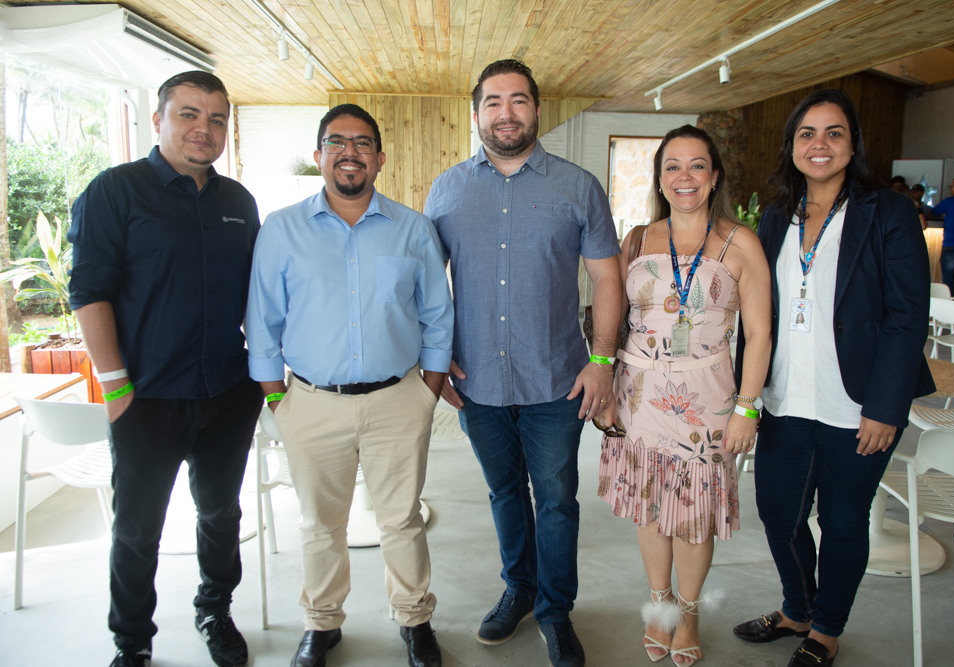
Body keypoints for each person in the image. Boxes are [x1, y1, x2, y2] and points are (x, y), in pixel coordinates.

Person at [423, 59, 621, 667]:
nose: (505, 113)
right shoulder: (446, 190)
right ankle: (520, 588)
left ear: (537, 109)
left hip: (557, 382)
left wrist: (603, 360)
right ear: (476, 113)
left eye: (518, 100)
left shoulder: (579, 186)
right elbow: (428, 286)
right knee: (504, 491)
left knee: (556, 501)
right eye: (493, 102)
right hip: (477, 381)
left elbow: (608, 280)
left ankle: (555, 611)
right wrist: (435, 357)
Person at [731, 89, 934, 667]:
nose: (819, 144)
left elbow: (906, 317)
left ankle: (825, 629)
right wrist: (747, 396)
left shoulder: (888, 212)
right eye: (807, 133)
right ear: (792, 145)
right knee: (779, 516)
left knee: (843, 524)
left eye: (833, 133)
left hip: (857, 406)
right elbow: (759, 314)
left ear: (852, 144)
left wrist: (886, 407)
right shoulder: (777, 216)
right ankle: (797, 609)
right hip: (786, 400)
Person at [245, 103, 453, 667]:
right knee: (319, 524)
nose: (349, 153)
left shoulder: (413, 229)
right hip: (311, 402)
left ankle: (414, 619)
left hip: (398, 400)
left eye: (362, 143)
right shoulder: (282, 229)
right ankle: (321, 623)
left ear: (380, 159)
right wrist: (276, 397)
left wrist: (428, 390)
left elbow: (437, 314)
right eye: (336, 142)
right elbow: (263, 318)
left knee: (402, 519)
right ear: (319, 156)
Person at [68, 71, 263, 667]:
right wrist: (115, 387)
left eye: (217, 119)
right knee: (137, 530)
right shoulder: (115, 191)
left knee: (220, 514)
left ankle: (215, 609)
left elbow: (258, 296)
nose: (204, 129)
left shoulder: (238, 202)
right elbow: (89, 292)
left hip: (227, 391)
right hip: (146, 397)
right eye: (189, 114)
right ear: (158, 120)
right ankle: (132, 641)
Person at [595, 125, 771, 666]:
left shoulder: (741, 242)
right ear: (659, 179)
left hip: (707, 402)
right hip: (639, 396)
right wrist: (606, 383)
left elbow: (760, 333)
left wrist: (747, 407)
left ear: (714, 177)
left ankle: (688, 611)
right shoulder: (636, 240)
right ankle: (660, 604)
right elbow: (614, 317)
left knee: (694, 514)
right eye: (672, 166)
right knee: (651, 509)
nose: (684, 176)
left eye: (697, 165)